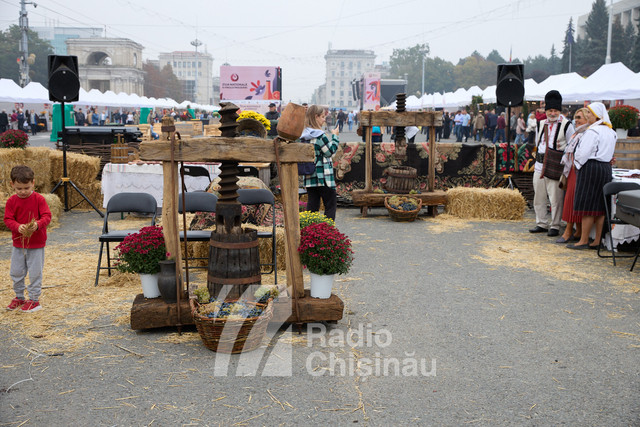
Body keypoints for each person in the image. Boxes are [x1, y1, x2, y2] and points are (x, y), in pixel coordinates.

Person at [567, 102, 616, 250]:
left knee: (587, 204)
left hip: (591, 167)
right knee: (601, 206)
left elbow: (583, 153)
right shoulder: (611, 132)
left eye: (590, 113)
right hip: (606, 168)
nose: (587, 116)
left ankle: (583, 240)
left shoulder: (592, 132)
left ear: (597, 116)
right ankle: (596, 241)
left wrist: (577, 164)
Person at [4, 165, 52, 313]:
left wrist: (37, 225)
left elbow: (47, 216)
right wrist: (18, 227)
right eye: (19, 188)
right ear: (12, 185)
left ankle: (34, 300)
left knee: (35, 272)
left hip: (36, 244)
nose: (23, 191)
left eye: (26, 188)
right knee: (16, 271)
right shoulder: (11, 201)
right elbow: (8, 219)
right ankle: (19, 296)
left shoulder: (39, 199)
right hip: (19, 243)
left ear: (33, 183)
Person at [529, 90, 575, 237]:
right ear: (546, 110)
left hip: (556, 164)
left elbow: (571, 145)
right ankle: (541, 222)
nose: (552, 113)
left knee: (555, 197)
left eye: (555, 110)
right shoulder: (541, 123)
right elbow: (538, 141)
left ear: (559, 111)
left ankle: (555, 225)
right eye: (550, 110)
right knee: (539, 195)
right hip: (540, 164)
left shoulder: (567, 125)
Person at [301, 105, 340, 221]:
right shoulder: (319, 135)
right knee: (330, 205)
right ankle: (328, 232)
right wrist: (335, 136)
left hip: (310, 176)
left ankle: (309, 231)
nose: (324, 119)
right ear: (316, 117)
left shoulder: (304, 135)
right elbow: (330, 152)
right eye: (322, 116)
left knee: (312, 207)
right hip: (324, 177)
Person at [556, 108, 589, 244]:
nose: (576, 120)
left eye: (579, 118)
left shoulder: (587, 134)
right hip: (571, 169)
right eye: (575, 117)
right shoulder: (576, 134)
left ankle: (569, 230)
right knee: (571, 198)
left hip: (579, 170)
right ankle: (578, 230)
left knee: (572, 199)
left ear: (587, 120)